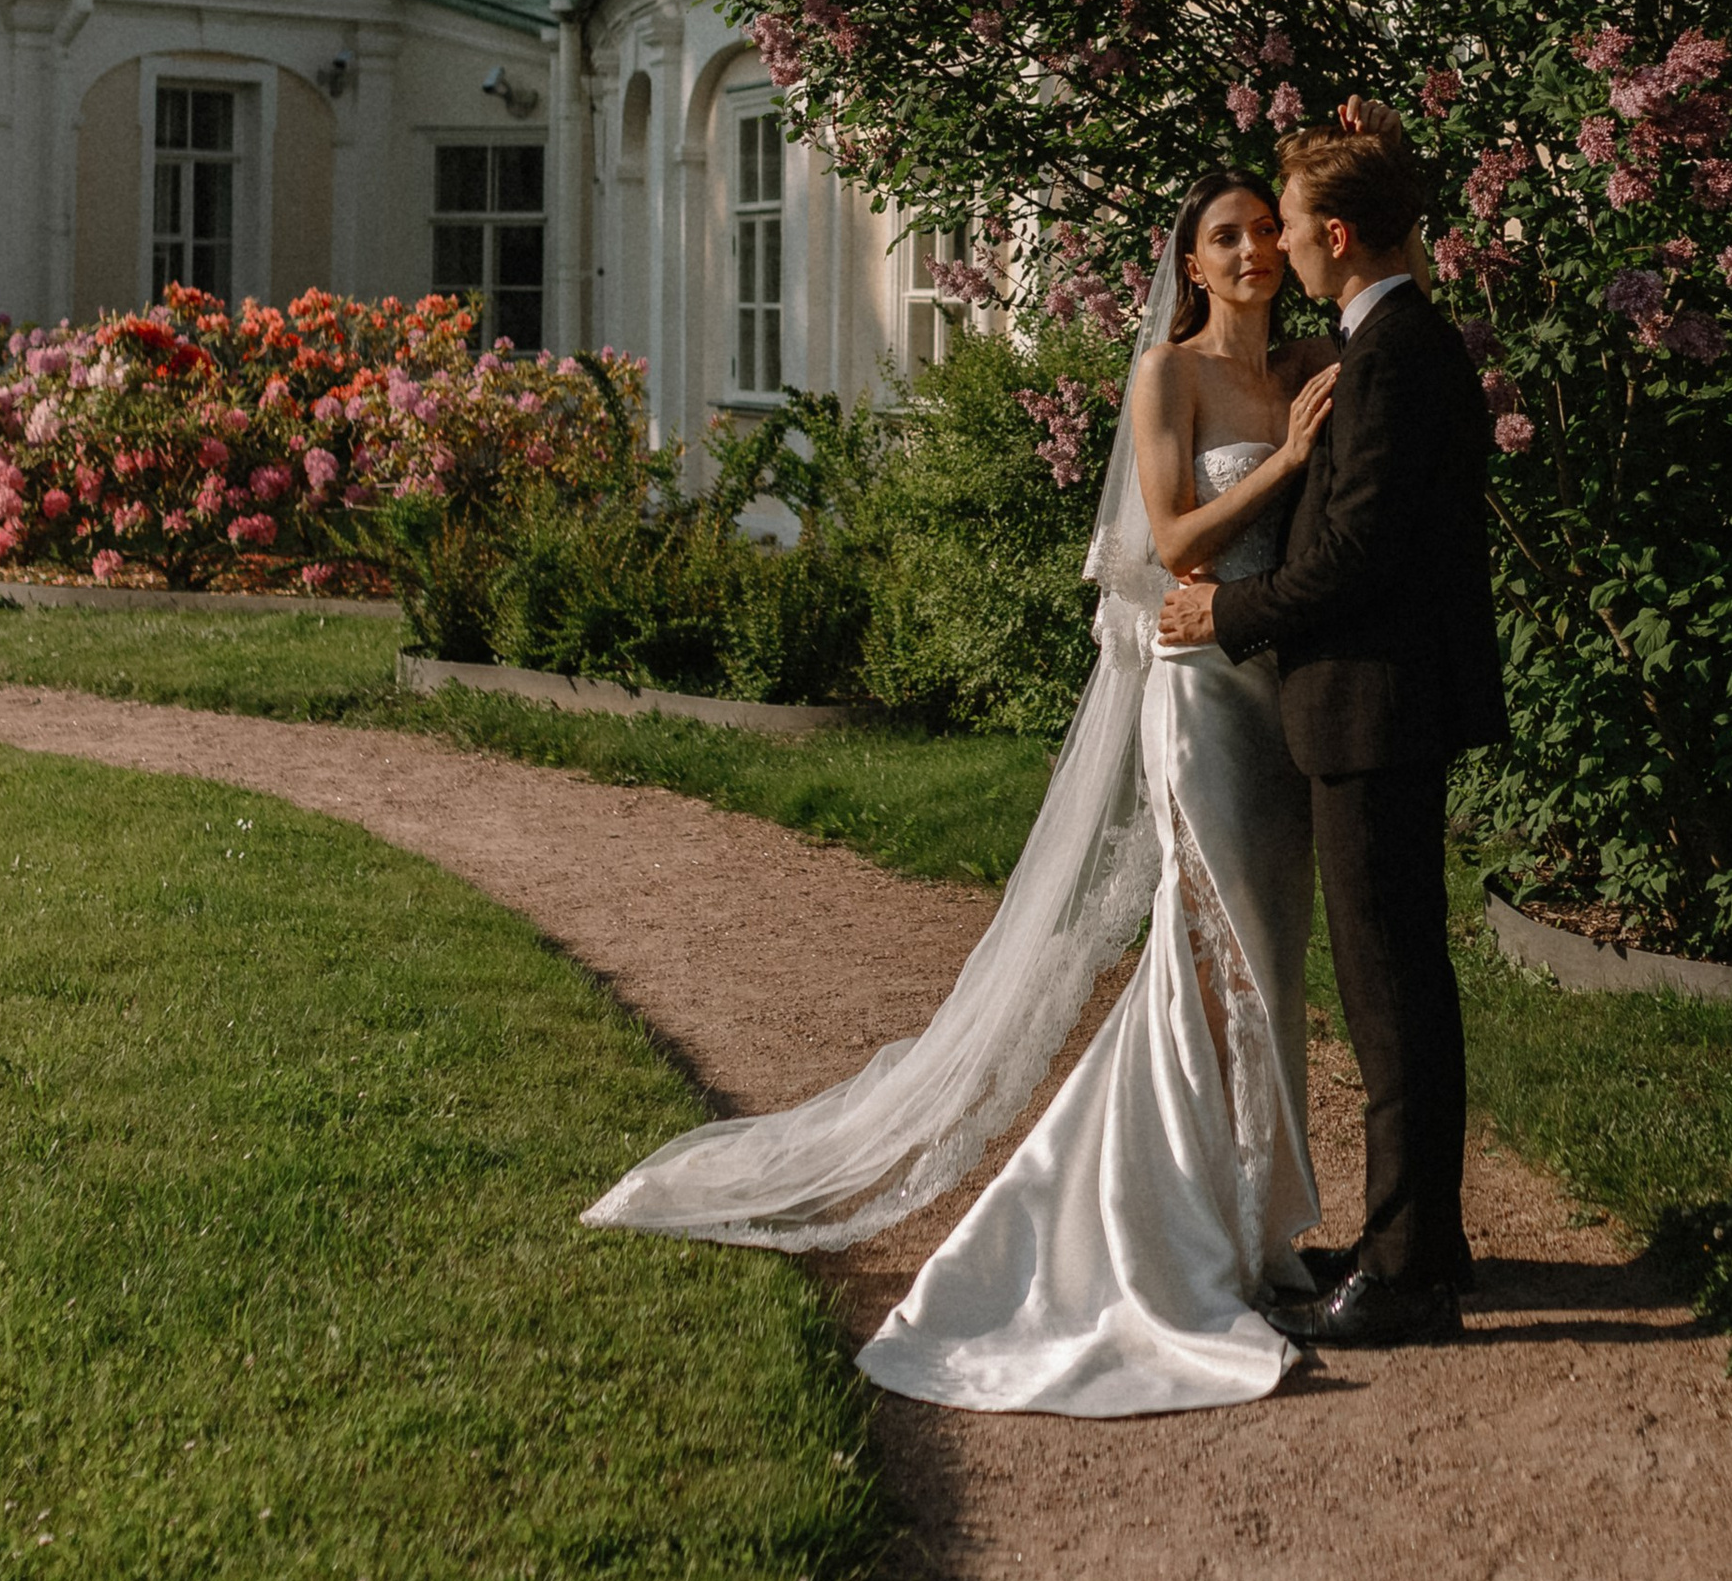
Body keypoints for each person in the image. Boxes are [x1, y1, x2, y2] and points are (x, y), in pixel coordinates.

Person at [582, 163, 1343, 1416]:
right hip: (1200, 695)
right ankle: (1182, 1234)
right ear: (1189, 265)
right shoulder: (1174, 375)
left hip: (1283, 702)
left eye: (1267, 228)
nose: (1255, 248)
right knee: (1213, 958)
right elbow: (1173, 542)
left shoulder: (1314, 354)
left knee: (1278, 958)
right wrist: (1292, 454)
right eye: (1226, 236)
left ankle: (1264, 1227)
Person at [1158, 120, 1503, 1350]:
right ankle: (1426, 1237)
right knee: (1398, 976)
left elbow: (1355, 553)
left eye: (1293, 225)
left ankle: (1408, 1270)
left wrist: (1222, 610)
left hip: (1374, 703)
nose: (1283, 246)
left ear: (1335, 236)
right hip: (1380, 701)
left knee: (1389, 989)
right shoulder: (1387, 341)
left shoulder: (1395, 354)